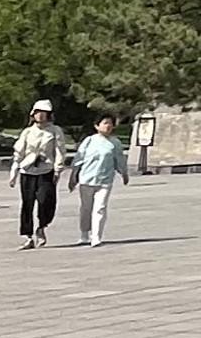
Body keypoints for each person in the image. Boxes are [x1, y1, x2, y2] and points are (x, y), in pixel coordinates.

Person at [10, 99, 67, 249]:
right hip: (27, 171)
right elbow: (19, 152)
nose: (40, 116)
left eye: (44, 113)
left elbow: (60, 151)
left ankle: (42, 226)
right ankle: (28, 236)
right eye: (37, 113)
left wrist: (58, 169)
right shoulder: (27, 132)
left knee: (45, 200)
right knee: (27, 204)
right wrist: (14, 172)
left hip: (46, 171)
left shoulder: (55, 131)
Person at [72, 114, 128, 246]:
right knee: (86, 208)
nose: (108, 126)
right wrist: (73, 176)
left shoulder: (115, 143)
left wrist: (124, 173)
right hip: (86, 179)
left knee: (100, 208)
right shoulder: (89, 141)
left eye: (110, 123)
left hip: (105, 180)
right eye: (104, 123)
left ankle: (96, 236)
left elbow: (119, 160)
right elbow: (78, 159)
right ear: (97, 126)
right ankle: (84, 234)